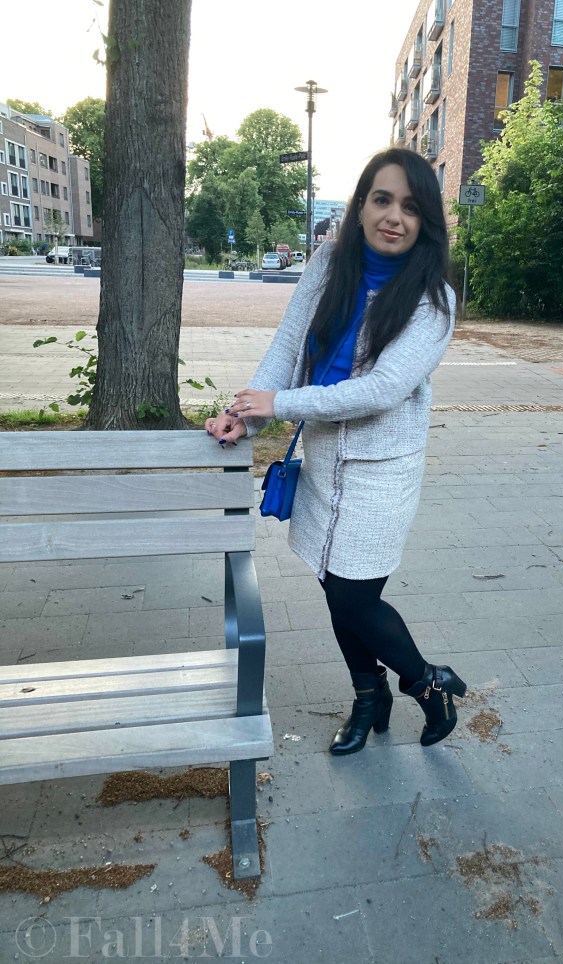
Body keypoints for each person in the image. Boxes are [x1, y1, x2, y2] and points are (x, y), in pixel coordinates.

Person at [207, 148, 467, 755]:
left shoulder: (435, 299)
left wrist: (280, 405)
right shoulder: (330, 261)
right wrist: (243, 413)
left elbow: (381, 391)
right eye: (381, 199)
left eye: (409, 206)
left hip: (382, 470)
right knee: (335, 589)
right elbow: (288, 348)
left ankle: (426, 683)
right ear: (360, 205)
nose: (393, 216)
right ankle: (366, 695)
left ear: (426, 220)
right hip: (325, 458)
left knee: (354, 595)